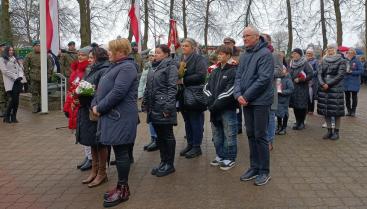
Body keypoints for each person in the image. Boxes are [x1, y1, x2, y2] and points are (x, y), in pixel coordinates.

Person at [91, 38, 138, 208]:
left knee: (121, 153)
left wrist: (100, 107)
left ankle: (123, 189)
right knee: (119, 152)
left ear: (120, 52)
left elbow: (118, 92)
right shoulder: (114, 66)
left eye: (110, 50)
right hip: (112, 115)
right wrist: (94, 104)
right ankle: (119, 186)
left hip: (121, 117)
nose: (108, 53)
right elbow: (100, 89)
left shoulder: (127, 67)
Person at [235, 26, 274, 186]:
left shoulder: (265, 54)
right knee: (250, 134)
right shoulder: (244, 55)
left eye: (248, 36)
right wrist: (238, 95)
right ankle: (254, 167)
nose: (244, 39)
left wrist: (246, 96)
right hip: (246, 100)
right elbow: (238, 76)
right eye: (243, 36)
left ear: (257, 37)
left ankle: (264, 171)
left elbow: (263, 79)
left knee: (260, 135)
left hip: (260, 101)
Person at [143, 44, 178, 177]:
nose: (155, 55)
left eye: (158, 53)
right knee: (160, 137)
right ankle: (163, 162)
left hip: (163, 107)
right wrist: (145, 102)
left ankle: (170, 164)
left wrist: (168, 107)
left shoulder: (170, 66)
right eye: (154, 53)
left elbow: (171, 88)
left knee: (167, 135)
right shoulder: (153, 67)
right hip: (154, 107)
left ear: (166, 54)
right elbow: (148, 87)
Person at [77, 47, 110, 187]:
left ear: (98, 57)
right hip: (87, 109)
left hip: (96, 110)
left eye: (91, 58)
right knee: (92, 141)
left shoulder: (104, 70)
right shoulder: (92, 69)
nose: (89, 60)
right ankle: (94, 170)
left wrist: (86, 92)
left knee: (100, 142)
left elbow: (100, 91)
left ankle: (102, 173)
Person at [204, 45, 238, 170]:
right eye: (218, 54)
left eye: (222, 54)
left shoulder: (233, 71)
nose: (219, 56)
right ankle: (220, 155)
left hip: (227, 109)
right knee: (217, 134)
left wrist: (216, 104)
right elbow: (206, 87)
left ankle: (230, 157)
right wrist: (210, 101)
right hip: (214, 109)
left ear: (228, 56)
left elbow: (230, 90)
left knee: (229, 134)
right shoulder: (214, 71)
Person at [178, 38, 208, 159]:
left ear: (193, 48)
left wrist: (183, 80)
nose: (183, 47)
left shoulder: (199, 59)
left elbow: (201, 76)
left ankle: (197, 147)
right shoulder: (181, 59)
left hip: (195, 94)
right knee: (187, 121)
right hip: (183, 94)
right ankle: (190, 144)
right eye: (182, 45)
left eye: (186, 46)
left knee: (196, 120)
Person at [63, 46, 92, 171]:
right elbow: (71, 89)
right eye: (79, 55)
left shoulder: (87, 70)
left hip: (81, 104)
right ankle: (87, 156)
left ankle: (91, 158)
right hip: (74, 104)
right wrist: (67, 106)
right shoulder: (76, 70)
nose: (80, 57)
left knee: (86, 133)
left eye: (83, 55)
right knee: (80, 132)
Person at [317, 44, 346, 140]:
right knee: (326, 110)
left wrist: (328, 84)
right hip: (324, 88)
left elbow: (340, 75)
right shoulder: (323, 60)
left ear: (336, 50)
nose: (330, 50)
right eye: (329, 48)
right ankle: (329, 131)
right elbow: (320, 73)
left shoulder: (341, 60)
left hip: (335, 88)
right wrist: (322, 83)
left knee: (336, 111)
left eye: (332, 48)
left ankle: (336, 132)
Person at [262, 33, 283, 151]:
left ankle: (269, 141)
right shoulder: (255, 54)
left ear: (269, 42)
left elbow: (280, 71)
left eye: (263, 40)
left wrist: (265, 74)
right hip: (257, 92)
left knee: (270, 116)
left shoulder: (275, 55)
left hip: (270, 90)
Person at [23, 40, 53, 113]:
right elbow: (25, 66)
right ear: (33, 47)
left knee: (43, 92)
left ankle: (43, 106)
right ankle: (35, 107)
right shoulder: (29, 55)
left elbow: (50, 66)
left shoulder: (46, 55)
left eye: (39, 46)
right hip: (33, 76)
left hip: (43, 76)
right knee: (34, 93)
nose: (38, 47)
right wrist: (27, 76)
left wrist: (48, 75)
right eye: (36, 46)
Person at [0, 46, 27, 123]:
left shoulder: (15, 59)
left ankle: (14, 116)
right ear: (6, 51)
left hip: (18, 81)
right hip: (10, 82)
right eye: (9, 50)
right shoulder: (2, 59)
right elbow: (4, 71)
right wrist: (15, 77)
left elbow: (21, 68)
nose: (11, 51)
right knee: (13, 100)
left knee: (17, 100)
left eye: (12, 50)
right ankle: (7, 115)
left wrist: (20, 76)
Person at [289, 48, 313, 130]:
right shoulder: (292, 63)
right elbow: (289, 73)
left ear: (300, 54)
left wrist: (301, 79)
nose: (294, 55)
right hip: (294, 88)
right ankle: (297, 121)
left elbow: (310, 74)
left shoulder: (305, 63)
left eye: (296, 53)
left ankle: (302, 122)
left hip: (302, 88)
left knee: (302, 106)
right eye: (293, 53)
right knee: (295, 106)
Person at [139, 49, 158, 152]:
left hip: (155, 95)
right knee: (149, 118)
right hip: (147, 94)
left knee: (155, 118)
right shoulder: (146, 67)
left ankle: (157, 139)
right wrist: (140, 93)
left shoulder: (159, 66)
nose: (151, 57)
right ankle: (153, 138)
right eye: (150, 56)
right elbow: (142, 80)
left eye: (153, 55)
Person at [223, 37, 243, 134]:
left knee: (237, 104)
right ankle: (228, 124)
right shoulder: (222, 52)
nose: (227, 44)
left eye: (228, 43)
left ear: (233, 43)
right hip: (226, 81)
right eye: (225, 43)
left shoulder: (239, 53)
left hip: (237, 81)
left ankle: (239, 125)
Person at [344, 48, 363, 117]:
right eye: (349, 52)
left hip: (354, 81)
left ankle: (353, 111)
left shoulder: (357, 61)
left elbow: (361, 71)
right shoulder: (344, 61)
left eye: (351, 53)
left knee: (354, 97)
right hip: (346, 81)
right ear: (347, 53)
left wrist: (352, 72)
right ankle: (348, 110)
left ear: (354, 54)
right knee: (347, 97)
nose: (350, 54)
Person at [276, 66, 294, 135]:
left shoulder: (288, 80)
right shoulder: (277, 79)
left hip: (284, 100)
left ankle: (284, 127)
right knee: (278, 113)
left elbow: (291, 89)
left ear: (286, 71)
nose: (281, 71)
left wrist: (282, 92)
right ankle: (279, 126)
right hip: (278, 99)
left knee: (285, 113)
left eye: (283, 70)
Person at [306, 48, 319, 114]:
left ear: (312, 54)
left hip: (312, 81)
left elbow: (317, 70)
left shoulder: (315, 61)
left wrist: (310, 74)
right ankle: (306, 109)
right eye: (307, 53)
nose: (308, 54)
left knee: (311, 95)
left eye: (310, 53)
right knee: (305, 95)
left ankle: (311, 110)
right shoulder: (304, 61)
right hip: (305, 80)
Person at [0, 42, 8, 117]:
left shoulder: (8, 56)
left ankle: (7, 110)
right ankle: (2, 110)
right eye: (2, 47)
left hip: (8, 80)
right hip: (1, 80)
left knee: (8, 95)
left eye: (5, 47)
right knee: (2, 95)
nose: (4, 48)